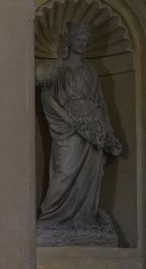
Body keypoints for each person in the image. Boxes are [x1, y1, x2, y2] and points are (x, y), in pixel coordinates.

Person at [36, 20, 123, 245]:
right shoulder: (58, 68)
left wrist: (107, 133)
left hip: (92, 128)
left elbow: (100, 103)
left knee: (89, 177)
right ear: (70, 41)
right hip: (67, 130)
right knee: (65, 170)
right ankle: (51, 218)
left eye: (85, 40)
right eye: (78, 39)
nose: (82, 43)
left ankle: (83, 220)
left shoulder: (91, 71)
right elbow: (46, 95)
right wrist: (67, 120)